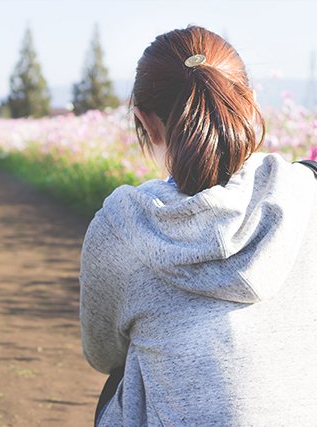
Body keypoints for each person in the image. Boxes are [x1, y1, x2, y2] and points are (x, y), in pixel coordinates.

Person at [79, 25, 317, 426]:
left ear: (146, 122)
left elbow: (103, 354)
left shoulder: (120, 227)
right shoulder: (307, 191)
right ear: (251, 103)